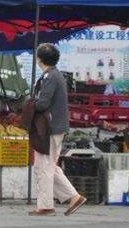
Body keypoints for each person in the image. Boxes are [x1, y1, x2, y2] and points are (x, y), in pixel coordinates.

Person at [29, 43, 86, 217]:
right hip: (54, 127)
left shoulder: (50, 77)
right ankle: (74, 197)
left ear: (39, 59)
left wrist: (28, 104)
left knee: (44, 167)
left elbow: (43, 103)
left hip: (50, 129)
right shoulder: (54, 75)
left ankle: (46, 206)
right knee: (49, 166)